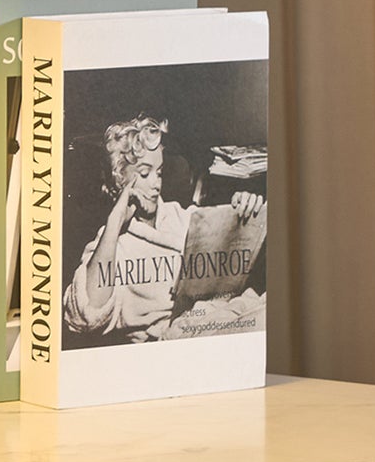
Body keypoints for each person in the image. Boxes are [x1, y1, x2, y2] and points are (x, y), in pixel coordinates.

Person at [63, 117, 265, 342]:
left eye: (159, 172)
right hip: (174, 338)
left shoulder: (178, 215)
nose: (156, 184)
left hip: (219, 316)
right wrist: (115, 221)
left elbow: (223, 242)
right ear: (118, 179)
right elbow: (83, 317)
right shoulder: (111, 244)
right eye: (144, 174)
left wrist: (242, 209)